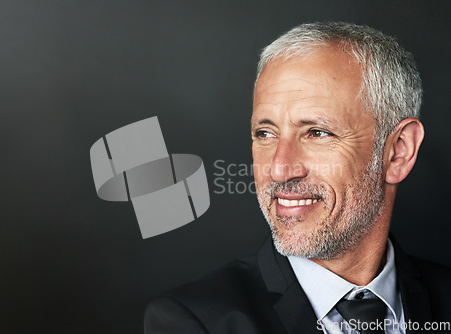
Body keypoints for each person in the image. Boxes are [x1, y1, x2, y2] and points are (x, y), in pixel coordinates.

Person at [144, 22, 451, 334]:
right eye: (265, 133)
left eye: (317, 132)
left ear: (398, 151)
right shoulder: (194, 323)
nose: (278, 169)